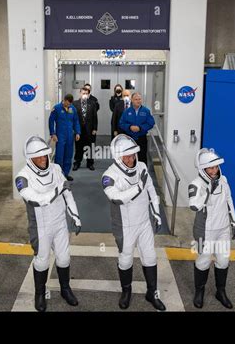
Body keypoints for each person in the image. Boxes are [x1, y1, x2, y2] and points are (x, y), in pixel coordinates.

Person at [15, 136, 82, 312]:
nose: (44, 159)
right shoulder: (22, 177)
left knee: (64, 258)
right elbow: (37, 200)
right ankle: (39, 294)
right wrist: (58, 189)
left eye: (45, 155)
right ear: (30, 158)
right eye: (39, 157)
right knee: (42, 261)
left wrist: (75, 215)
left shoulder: (56, 168)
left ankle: (65, 289)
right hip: (40, 226)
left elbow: (67, 194)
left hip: (60, 222)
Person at [101, 134, 166, 311]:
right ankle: (126, 292)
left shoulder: (142, 166)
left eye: (133, 154)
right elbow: (116, 197)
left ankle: (151, 292)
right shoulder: (109, 176)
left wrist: (157, 213)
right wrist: (138, 187)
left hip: (144, 222)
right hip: (125, 225)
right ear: (118, 156)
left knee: (150, 257)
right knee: (125, 259)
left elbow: (152, 191)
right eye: (127, 156)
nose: (131, 159)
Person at [188, 148, 235, 309]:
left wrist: (234, 222)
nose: (214, 170)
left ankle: (221, 292)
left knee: (223, 261)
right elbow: (194, 205)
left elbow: (229, 201)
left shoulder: (223, 180)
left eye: (216, 166)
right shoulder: (195, 184)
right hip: (205, 231)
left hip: (223, 228)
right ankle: (199, 291)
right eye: (210, 168)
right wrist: (208, 190)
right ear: (203, 169)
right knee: (203, 261)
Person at [49, 94, 81, 181]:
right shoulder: (57, 108)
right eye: (67, 103)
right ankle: (58, 175)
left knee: (68, 155)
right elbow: (51, 121)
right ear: (64, 100)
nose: (69, 105)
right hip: (60, 136)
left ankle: (65, 174)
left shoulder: (72, 108)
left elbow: (76, 121)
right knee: (59, 156)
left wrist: (78, 132)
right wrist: (53, 133)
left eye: (70, 103)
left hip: (70, 136)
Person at [118, 92, 155, 164]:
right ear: (132, 100)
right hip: (129, 139)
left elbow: (151, 123)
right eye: (136, 99)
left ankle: (142, 174)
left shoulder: (146, 111)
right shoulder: (127, 111)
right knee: (130, 158)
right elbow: (121, 123)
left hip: (141, 139)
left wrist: (140, 128)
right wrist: (129, 127)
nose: (138, 101)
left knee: (142, 158)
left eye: (140, 99)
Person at [73, 87, 98, 171]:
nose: (84, 95)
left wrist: (95, 128)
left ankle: (90, 163)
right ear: (80, 93)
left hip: (89, 129)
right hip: (78, 130)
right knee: (78, 147)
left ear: (88, 94)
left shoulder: (92, 103)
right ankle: (77, 163)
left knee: (90, 147)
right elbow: (72, 118)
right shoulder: (74, 104)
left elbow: (95, 116)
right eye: (83, 93)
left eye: (86, 93)